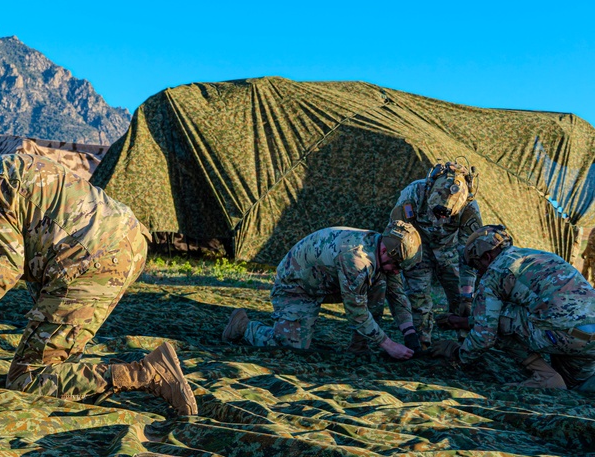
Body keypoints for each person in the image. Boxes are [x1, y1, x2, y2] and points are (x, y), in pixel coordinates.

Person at [0, 152, 198, 416]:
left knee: (26, 381)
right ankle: (71, 375)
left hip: (91, 259)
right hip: (123, 242)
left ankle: (146, 373)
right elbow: (30, 257)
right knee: (52, 356)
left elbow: (0, 272)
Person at [222, 221, 423, 359]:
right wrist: (388, 345)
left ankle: (360, 347)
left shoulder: (384, 248)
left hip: (327, 282)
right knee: (292, 348)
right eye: (396, 265)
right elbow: (357, 312)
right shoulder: (356, 260)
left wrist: (410, 335)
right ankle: (243, 326)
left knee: (381, 280)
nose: (397, 271)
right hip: (297, 288)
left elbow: (397, 295)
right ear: (385, 251)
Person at [431, 225, 595, 391]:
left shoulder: (494, 273)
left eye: (476, 265)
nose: (478, 272)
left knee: (498, 321)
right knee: (577, 385)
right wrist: (465, 322)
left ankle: (544, 376)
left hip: (561, 334)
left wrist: (457, 356)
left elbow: (486, 335)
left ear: (486, 257)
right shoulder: (539, 255)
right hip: (589, 339)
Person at [389, 161, 482, 349]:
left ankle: (465, 344)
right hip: (417, 249)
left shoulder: (469, 208)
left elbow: (470, 254)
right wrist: (398, 264)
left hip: (450, 253)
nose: (441, 220)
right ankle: (421, 343)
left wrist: (467, 294)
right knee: (418, 296)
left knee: (461, 300)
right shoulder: (414, 194)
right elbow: (396, 233)